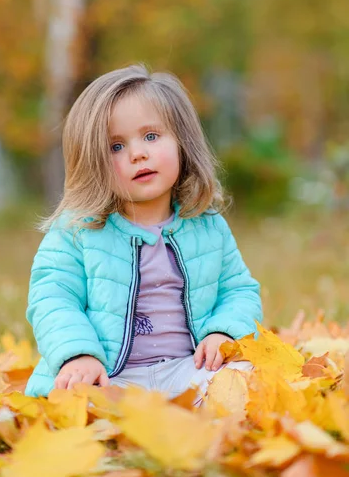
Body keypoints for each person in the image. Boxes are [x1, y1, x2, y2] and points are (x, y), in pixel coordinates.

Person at [24, 64, 262, 402]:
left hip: (188, 368)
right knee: (80, 401)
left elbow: (239, 290)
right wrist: (78, 355)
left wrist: (224, 332)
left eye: (151, 136)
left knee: (244, 382)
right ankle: (129, 425)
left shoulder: (206, 225)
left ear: (182, 142)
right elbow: (53, 299)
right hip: (111, 376)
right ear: (92, 161)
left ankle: (189, 426)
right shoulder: (77, 231)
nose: (138, 153)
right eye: (116, 147)